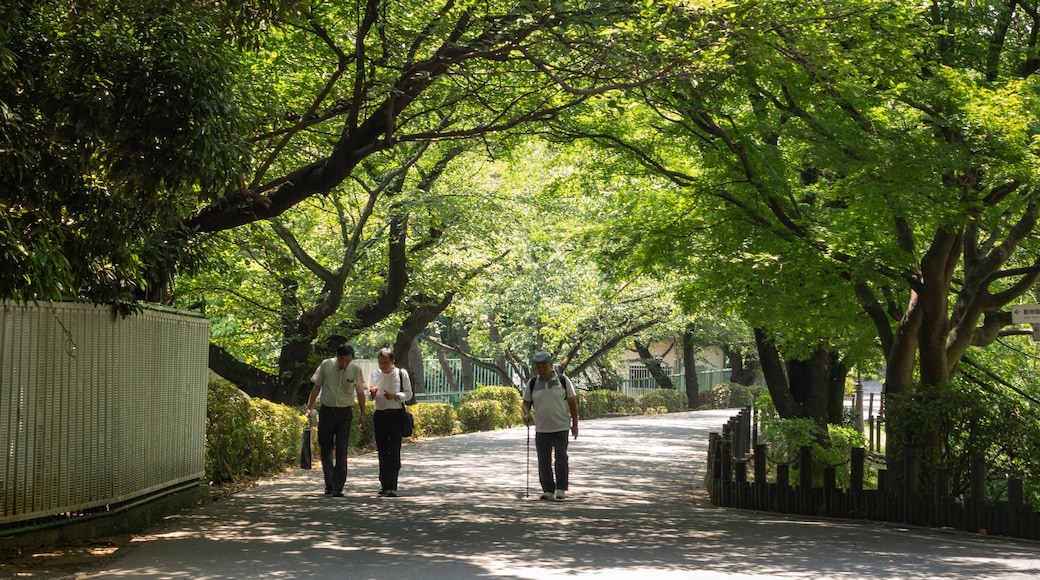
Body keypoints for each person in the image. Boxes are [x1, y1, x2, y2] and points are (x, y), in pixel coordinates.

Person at [306, 345, 367, 497]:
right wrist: (309, 407)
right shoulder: (326, 365)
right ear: (337, 356)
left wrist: (362, 413)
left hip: (345, 413)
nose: (345, 364)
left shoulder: (355, 369)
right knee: (325, 447)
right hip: (327, 411)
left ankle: (338, 486)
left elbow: (360, 392)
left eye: (348, 360)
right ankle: (329, 483)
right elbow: (316, 387)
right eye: (343, 360)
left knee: (341, 449)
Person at [522, 351, 579, 500]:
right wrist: (526, 414)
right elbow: (526, 402)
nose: (541, 369)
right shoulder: (533, 383)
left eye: (544, 366)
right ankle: (548, 489)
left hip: (561, 425)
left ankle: (561, 488)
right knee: (543, 459)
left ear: (551, 365)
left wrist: (575, 424)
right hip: (542, 427)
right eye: (538, 366)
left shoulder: (563, 380)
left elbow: (572, 403)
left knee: (560, 457)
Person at [368, 347, 413, 497]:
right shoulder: (375, 374)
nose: (383, 366)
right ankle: (384, 483)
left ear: (392, 362)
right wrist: (372, 394)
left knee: (394, 450)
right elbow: (369, 395)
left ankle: (392, 485)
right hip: (380, 415)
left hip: (396, 416)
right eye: (380, 363)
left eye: (386, 363)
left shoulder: (401, 373)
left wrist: (395, 395)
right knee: (382, 451)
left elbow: (409, 394)